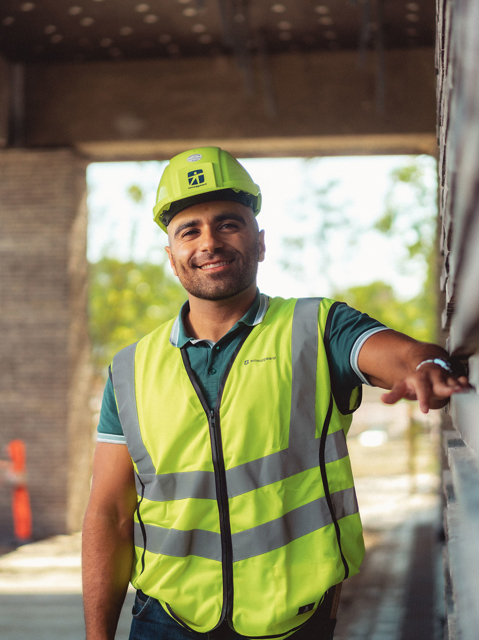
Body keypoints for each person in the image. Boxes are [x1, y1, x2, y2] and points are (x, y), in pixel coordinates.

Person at [82, 147, 470, 640]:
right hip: (165, 619)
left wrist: (426, 365)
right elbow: (109, 513)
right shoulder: (129, 370)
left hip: (293, 619)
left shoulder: (318, 328)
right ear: (172, 256)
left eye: (228, 224)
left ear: (260, 242)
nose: (210, 242)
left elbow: (398, 354)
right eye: (190, 230)